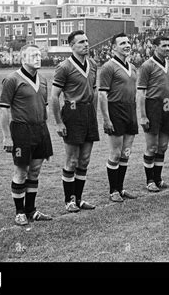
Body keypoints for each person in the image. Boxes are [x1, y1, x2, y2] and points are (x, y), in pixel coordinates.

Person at [0, 44, 53, 226]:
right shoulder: (12, 79)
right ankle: (19, 212)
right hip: (21, 131)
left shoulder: (43, 79)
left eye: (39, 54)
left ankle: (31, 210)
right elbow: (3, 109)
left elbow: (44, 106)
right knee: (21, 170)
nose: (38, 58)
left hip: (40, 130)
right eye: (33, 55)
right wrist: (7, 136)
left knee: (35, 170)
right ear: (23, 59)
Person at [50, 30, 99, 212]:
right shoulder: (64, 67)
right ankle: (69, 200)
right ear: (71, 46)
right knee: (71, 160)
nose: (86, 44)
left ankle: (78, 199)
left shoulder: (93, 64)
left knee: (84, 160)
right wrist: (59, 122)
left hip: (88, 113)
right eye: (81, 42)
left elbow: (94, 91)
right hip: (72, 112)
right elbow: (54, 97)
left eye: (87, 41)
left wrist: (93, 114)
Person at [99, 33, 138, 202]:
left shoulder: (133, 67)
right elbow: (102, 95)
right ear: (114, 48)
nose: (127, 45)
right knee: (115, 153)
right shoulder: (108, 67)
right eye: (122, 43)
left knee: (126, 153)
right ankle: (113, 190)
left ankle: (121, 188)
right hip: (116, 111)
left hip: (130, 111)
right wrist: (107, 119)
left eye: (128, 42)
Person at [137, 36, 169, 192]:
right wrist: (143, 115)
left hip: (166, 106)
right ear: (154, 47)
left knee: (163, 146)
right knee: (152, 146)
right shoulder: (147, 66)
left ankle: (159, 179)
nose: (167, 48)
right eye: (164, 45)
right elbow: (141, 92)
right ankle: (150, 180)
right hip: (152, 106)